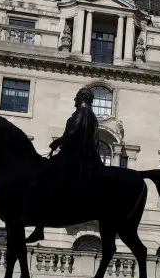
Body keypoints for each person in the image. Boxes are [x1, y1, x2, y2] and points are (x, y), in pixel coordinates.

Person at [26, 86, 104, 245]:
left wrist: (58, 142)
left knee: (42, 176)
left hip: (75, 158)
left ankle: (39, 226)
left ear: (82, 98)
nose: (75, 100)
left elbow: (72, 133)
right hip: (86, 158)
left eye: (77, 97)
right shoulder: (92, 116)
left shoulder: (81, 113)